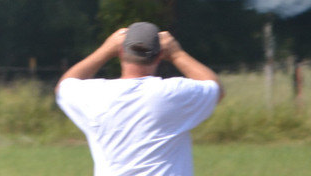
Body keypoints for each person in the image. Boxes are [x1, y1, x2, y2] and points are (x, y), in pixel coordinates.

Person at [56, 23, 223, 176]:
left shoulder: (95, 95)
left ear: (121, 52)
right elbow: (215, 88)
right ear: (159, 56)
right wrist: (177, 54)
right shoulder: (173, 94)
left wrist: (105, 50)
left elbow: (63, 87)